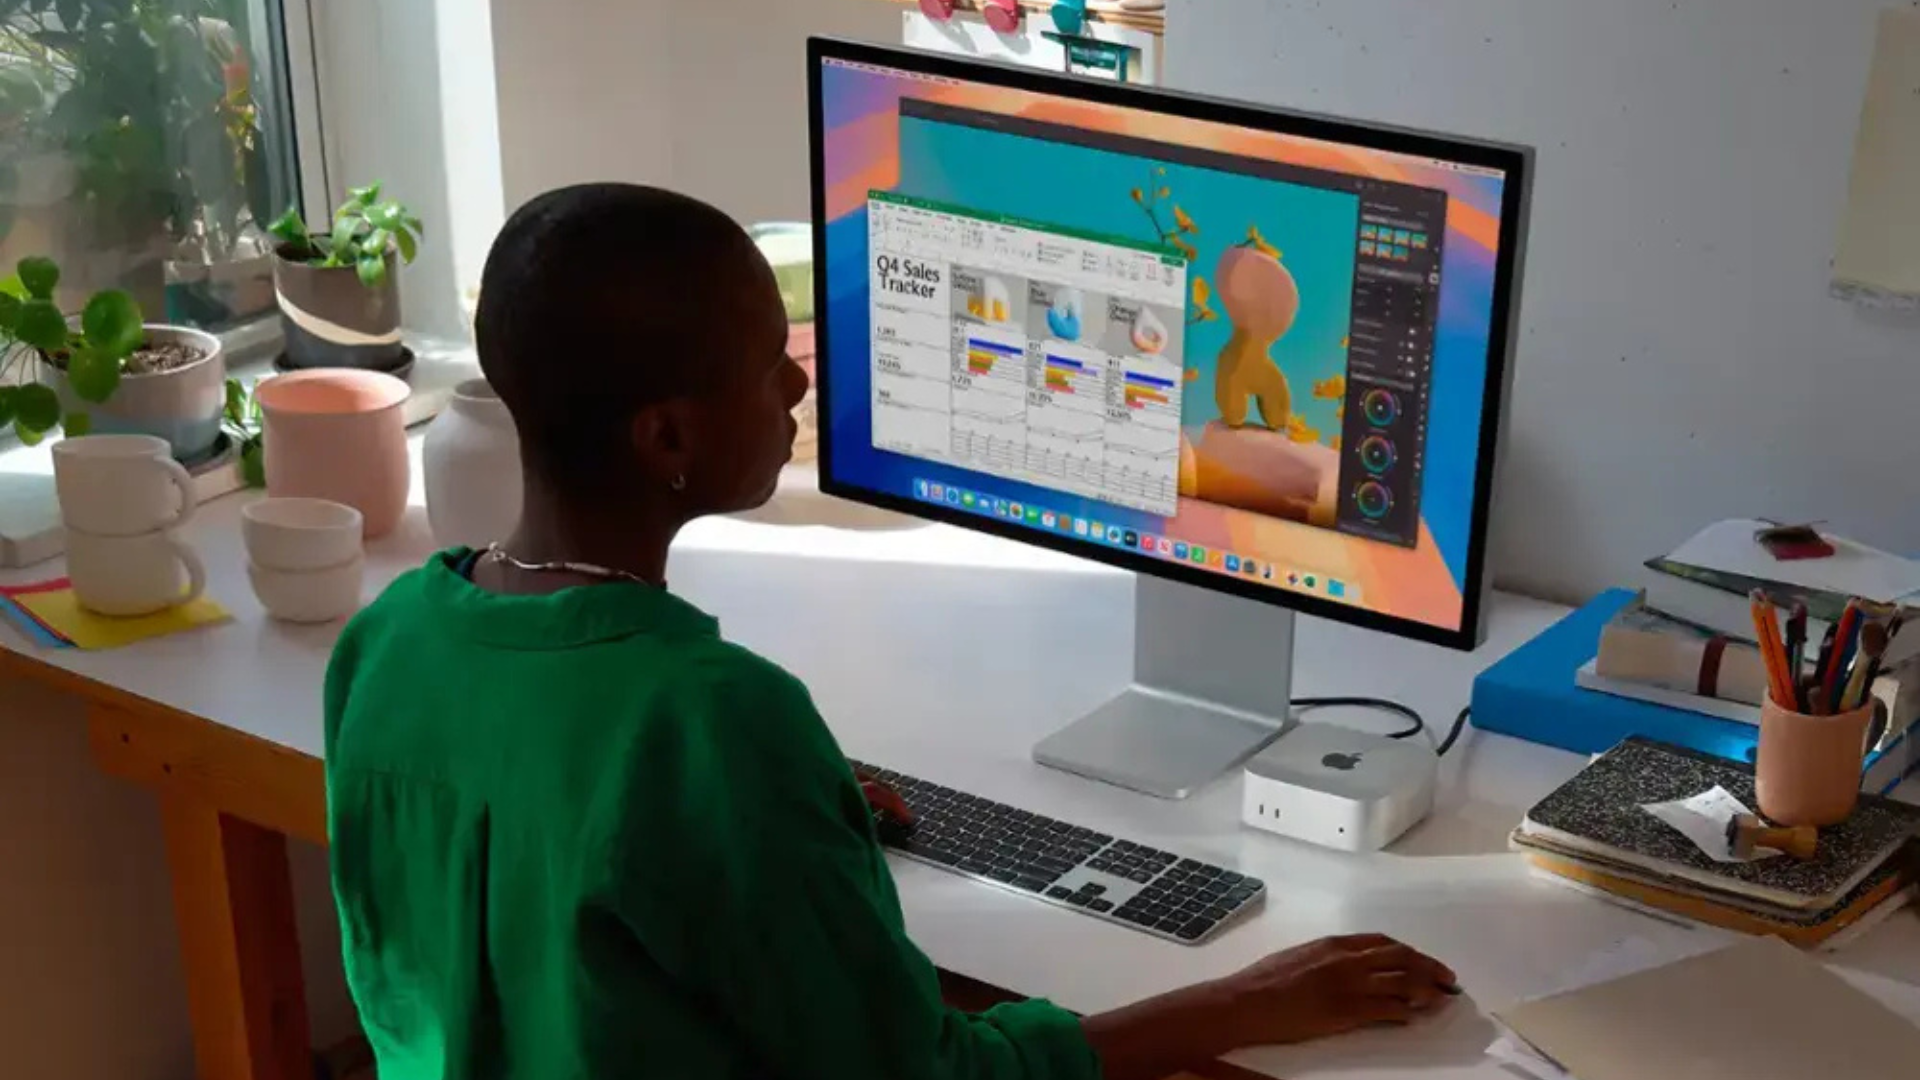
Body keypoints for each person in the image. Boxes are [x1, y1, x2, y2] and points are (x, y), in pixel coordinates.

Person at [323, 182, 1460, 1080]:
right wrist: (1248, 999)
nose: (796, 386)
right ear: (667, 436)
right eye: (767, 364)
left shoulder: (388, 644)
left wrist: (773, 816)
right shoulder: (713, 722)